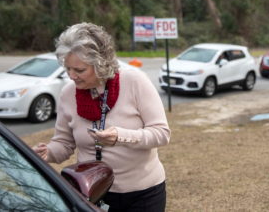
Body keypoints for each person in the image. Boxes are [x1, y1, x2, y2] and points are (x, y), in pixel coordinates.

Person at [32, 22, 170, 212]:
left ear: (101, 64)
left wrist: (120, 136)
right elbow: (64, 143)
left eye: (79, 70)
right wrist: (48, 152)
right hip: (92, 194)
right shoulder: (68, 93)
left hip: (143, 193)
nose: (72, 76)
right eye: (68, 69)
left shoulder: (135, 81)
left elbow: (161, 134)